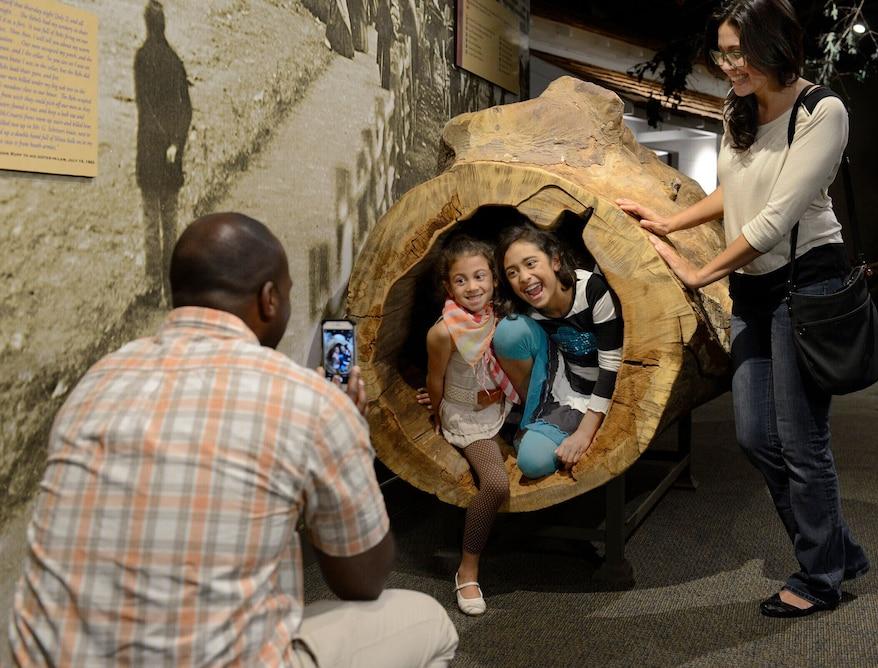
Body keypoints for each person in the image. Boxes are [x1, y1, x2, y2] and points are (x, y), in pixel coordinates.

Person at [8, 213, 458, 666]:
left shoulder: (99, 379)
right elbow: (362, 579)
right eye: (286, 293)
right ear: (268, 299)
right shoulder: (309, 400)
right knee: (430, 622)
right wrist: (352, 435)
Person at [617, 0, 869, 618]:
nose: (728, 64)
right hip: (755, 287)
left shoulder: (822, 111)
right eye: (723, 51)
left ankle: (820, 577)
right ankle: (834, 545)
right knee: (756, 436)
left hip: (805, 283)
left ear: (777, 45)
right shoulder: (740, 111)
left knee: (801, 441)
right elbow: (739, 186)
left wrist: (700, 271)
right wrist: (673, 219)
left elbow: (779, 213)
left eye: (740, 52)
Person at [425, 235, 518, 616]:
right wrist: (434, 414)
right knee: (495, 483)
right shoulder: (444, 331)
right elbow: (435, 382)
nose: (472, 287)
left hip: (502, 406)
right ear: (447, 287)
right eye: (460, 280)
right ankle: (468, 568)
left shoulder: (499, 316)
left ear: (494, 279)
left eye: (480, 276)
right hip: (468, 417)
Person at [492, 224, 624, 479]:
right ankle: (534, 414)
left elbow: (611, 365)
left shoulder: (591, 291)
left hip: (608, 387)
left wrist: (586, 432)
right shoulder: (527, 308)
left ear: (554, 261)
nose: (524, 277)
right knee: (509, 331)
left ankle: (553, 427)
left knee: (533, 459)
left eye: (531, 263)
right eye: (512, 272)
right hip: (567, 386)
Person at [134, 0, 191, 306]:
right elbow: (187, 109)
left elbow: (145, 106)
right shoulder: (175, 61)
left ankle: (155, 286)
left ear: (146, 24)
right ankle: (171, 289)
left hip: (149, 153)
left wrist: (161, 140)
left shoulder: (142, 58)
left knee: (151, 221)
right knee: (170, 222)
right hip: (171, 156)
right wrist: (175, 142)